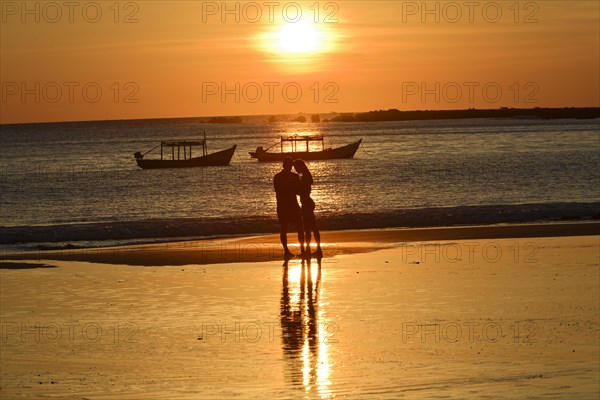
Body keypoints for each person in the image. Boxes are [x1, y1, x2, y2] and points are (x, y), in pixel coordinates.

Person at [274, 157, 305, 257]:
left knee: (299, 228)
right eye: (287, 165)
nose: (289, 167)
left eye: (290, 165)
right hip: (283, 206)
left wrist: (289, 186)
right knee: (284, 228)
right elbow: (279, 190)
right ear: (283, 165)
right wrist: (291, 187)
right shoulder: (278, 177)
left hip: (293, 205)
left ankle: (302, 250)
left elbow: (299, 190)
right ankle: (286, 251)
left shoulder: (294, 177)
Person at [293, 159, 322, 256]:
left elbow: (301, 191)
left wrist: (292, 188)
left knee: (309, 227)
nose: (296, 170)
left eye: (296, 168)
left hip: (307, 204)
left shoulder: (305, 177)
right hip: (307, 203)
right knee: (311, 227)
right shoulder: (306, 176)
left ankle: (310, 250)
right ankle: (314, 249)